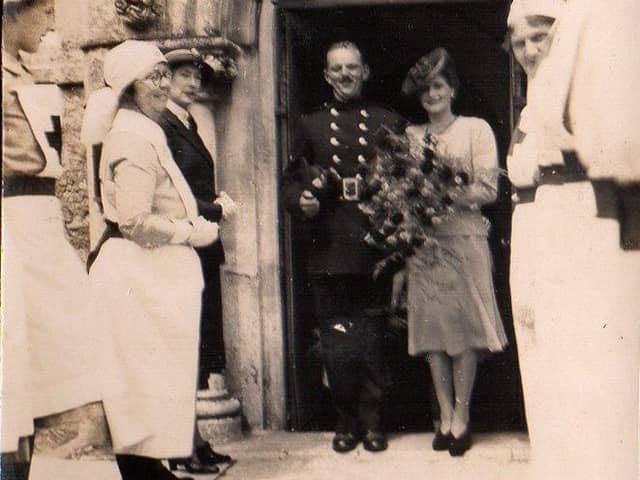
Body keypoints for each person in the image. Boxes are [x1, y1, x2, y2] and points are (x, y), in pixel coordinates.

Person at [507, 0, 640, 478]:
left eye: (538, 38)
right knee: (542, 363)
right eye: (519, 42)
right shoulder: (533, 102)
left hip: (579, 230)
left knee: (586, 361)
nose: (528, 50)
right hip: (535, 236)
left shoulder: (596, 91)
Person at [81, 40, 220, 480]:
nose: (165, 85)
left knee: (154, 379)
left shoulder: (146, 130)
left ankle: (148, 467)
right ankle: (141, 471)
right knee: (140, 382)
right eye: (155, 77)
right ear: (129, 87)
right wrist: (189, 231)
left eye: (165, 74)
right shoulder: (131, 137)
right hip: (136, 275)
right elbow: (136, 220)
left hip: (153, 275)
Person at [1, 1, 117, 479]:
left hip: (39, 223)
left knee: (58, 362)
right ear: (9, 11)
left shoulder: (22, 72)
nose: (51, 21)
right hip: (11, 224)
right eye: (43, 11)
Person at [281, 41, 405, 453]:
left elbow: (404, 184)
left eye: (352, 67)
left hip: (372, 245)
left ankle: (373, 422)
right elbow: (290, 183)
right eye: (337, 69)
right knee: (336, 341)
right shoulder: (311, 124)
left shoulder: (389, 122)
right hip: (329, 244)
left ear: (365, 72)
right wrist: (303, 201)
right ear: (326, 76)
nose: (345, 75)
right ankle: (345, 422)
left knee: (371, 337)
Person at [400, 47, 507, 457]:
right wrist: (411, 197)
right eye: (425, 89)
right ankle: (443, 413)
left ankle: (462, 415)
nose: (432, 95)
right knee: (432, 336)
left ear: (453, 90)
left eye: (439, 86)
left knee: (464, 334)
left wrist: (439, 190)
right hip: (426, 246)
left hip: (465, 240)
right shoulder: (411, 137)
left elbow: (488, 189)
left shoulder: (475, 130)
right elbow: (402, 194)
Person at [160, 48, 235, 475]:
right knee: (183, 348)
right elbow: (175, 194)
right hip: (183, 244)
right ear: (164, 80)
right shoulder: (163, 126)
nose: (192, 84)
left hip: (201, 248)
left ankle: (194, 440)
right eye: (184, 75)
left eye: (197, 78)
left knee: (198, 348)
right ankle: (182, 445)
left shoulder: (187, 121)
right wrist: (217, 208)